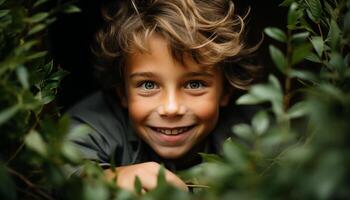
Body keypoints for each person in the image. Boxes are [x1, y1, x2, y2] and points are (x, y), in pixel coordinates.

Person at [65, 0, 261, 193]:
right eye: (148, 85)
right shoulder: (88, 127)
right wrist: (110, 179)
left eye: (194, 84)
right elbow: (61, 171)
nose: (171, 108)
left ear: (225, 91)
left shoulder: (256, 133)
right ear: (122, 92)